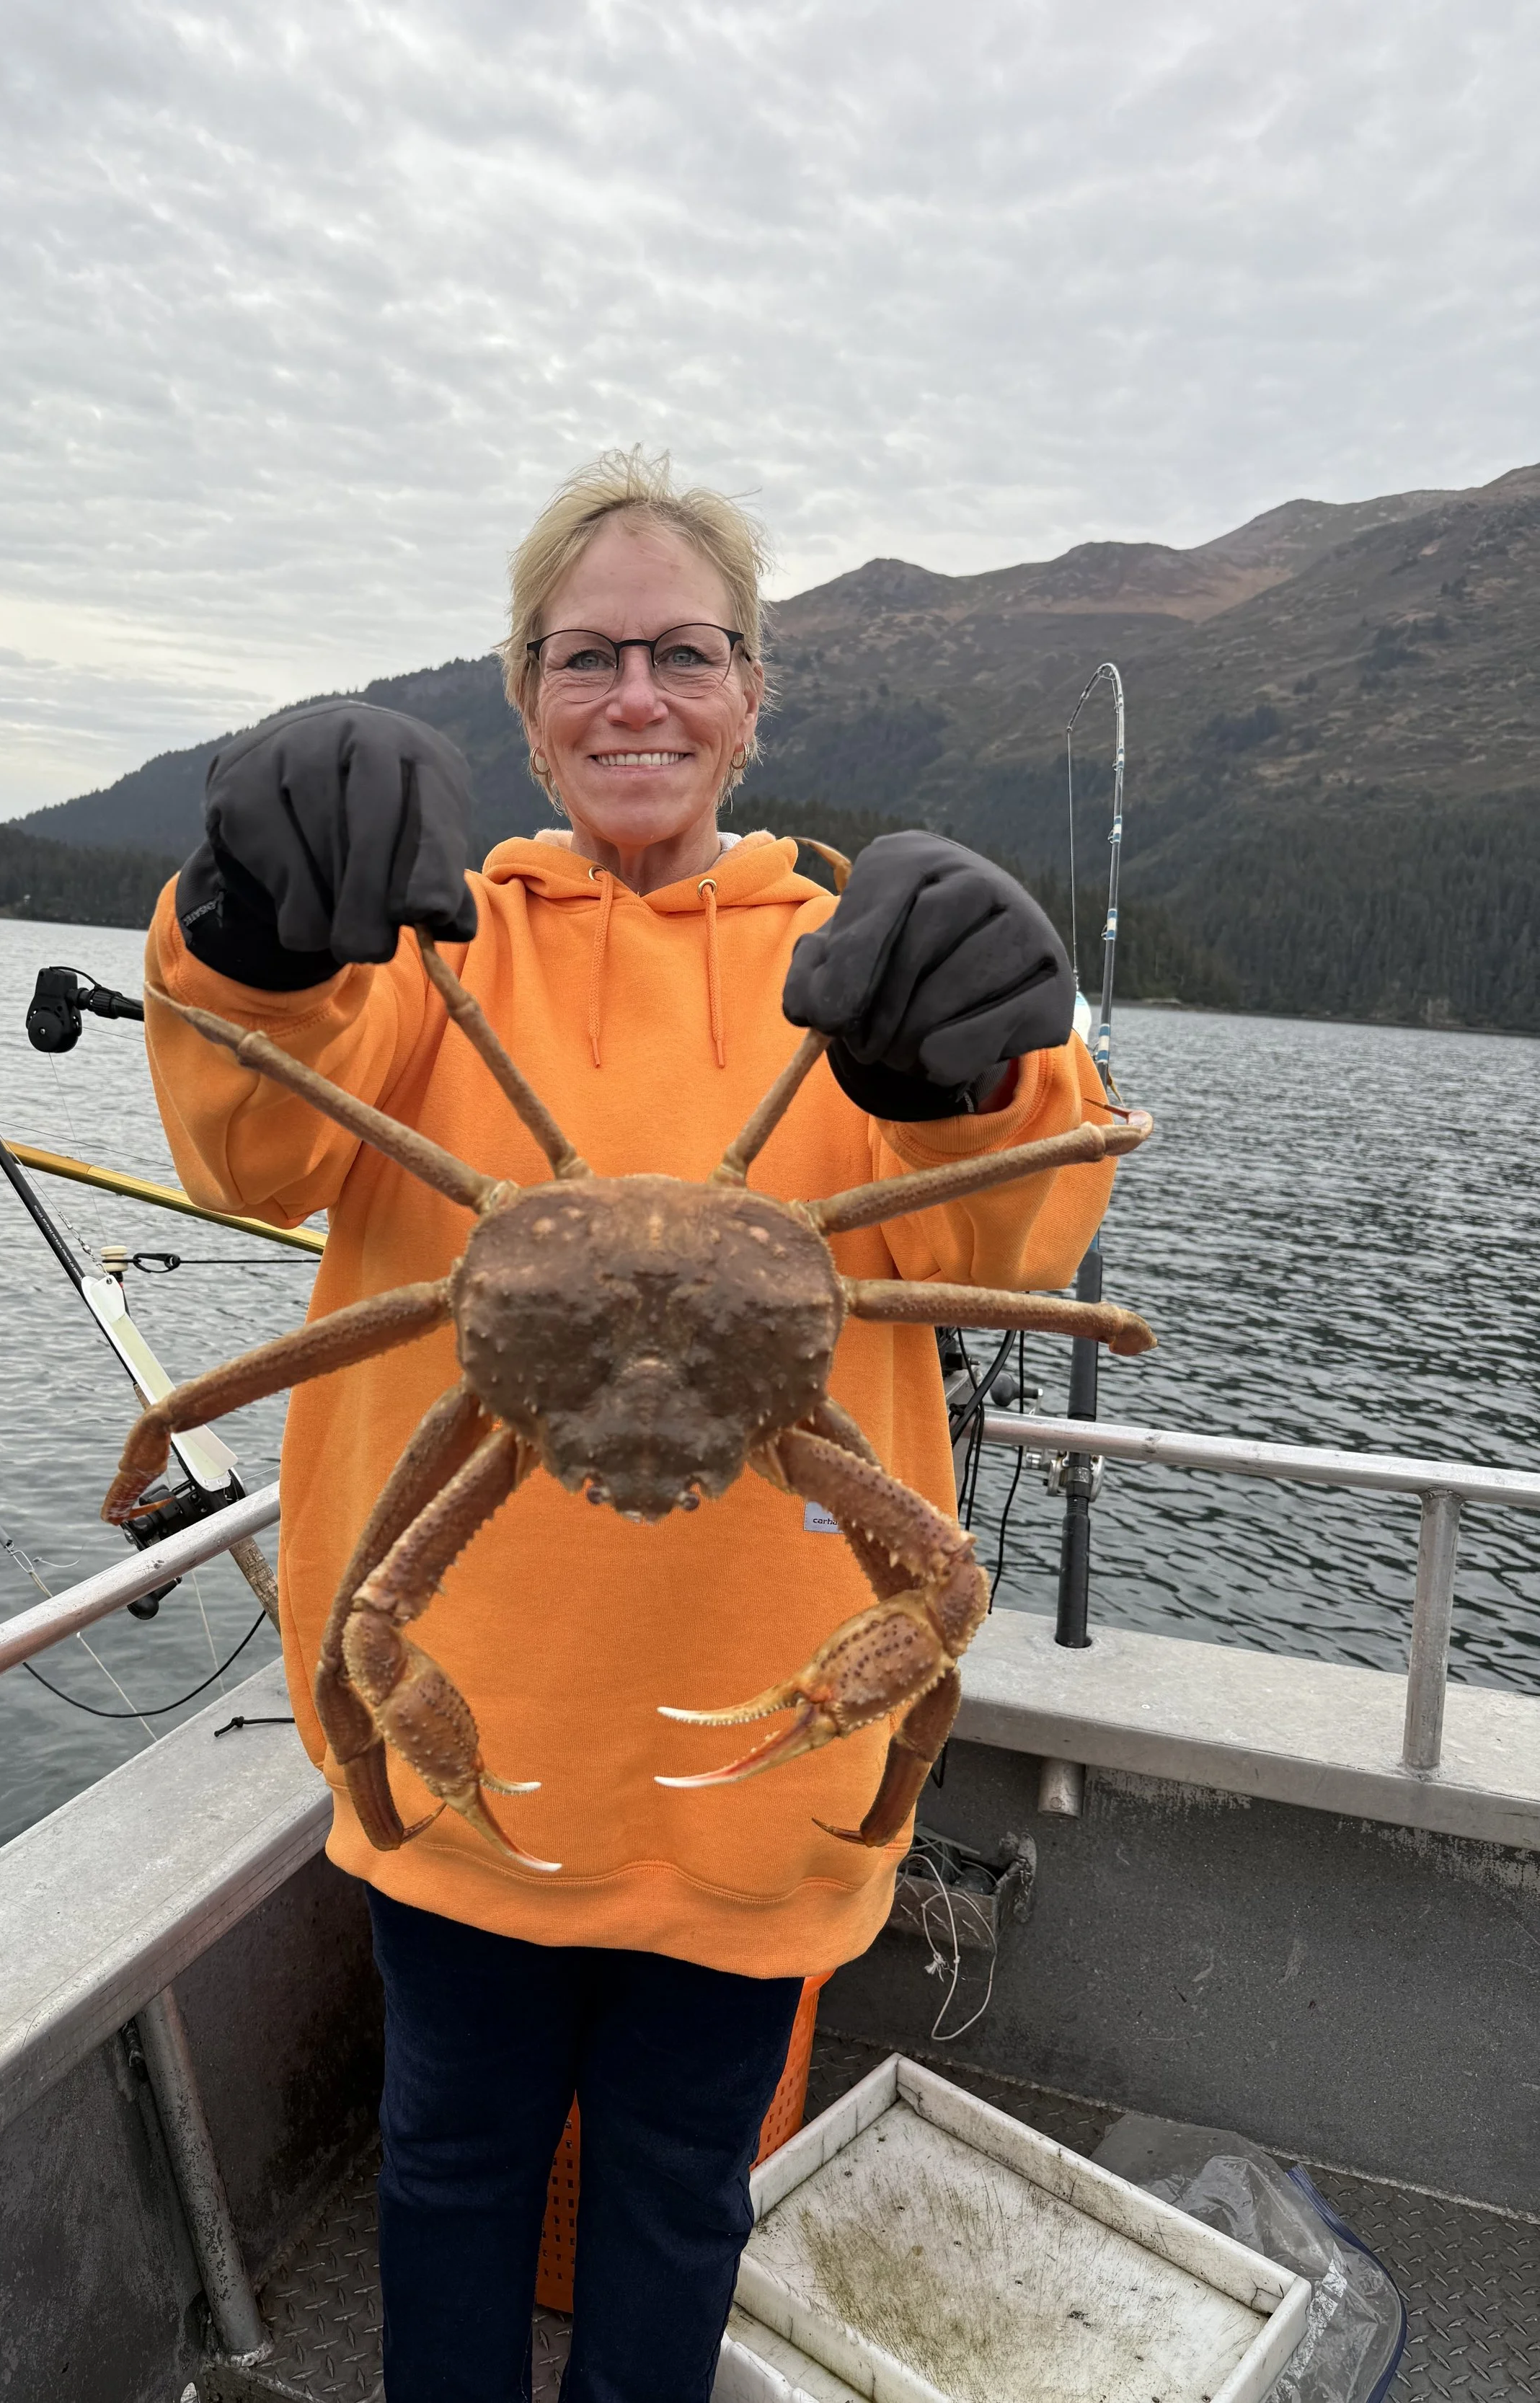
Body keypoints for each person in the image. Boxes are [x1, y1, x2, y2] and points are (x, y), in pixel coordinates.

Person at [143, 451, 1119, 2402]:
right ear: (519, 694)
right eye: (586, 657)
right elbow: (252, 1140)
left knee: (680, 2196)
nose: (637, 698)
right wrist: (252, 933)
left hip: (764, 1771)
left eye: (685, 653)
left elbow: (1010, 1239)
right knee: (446, 2169)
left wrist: (984, 1068)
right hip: (459, 1745)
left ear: (755, 692)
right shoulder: (417, 949)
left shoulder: (861, 970)